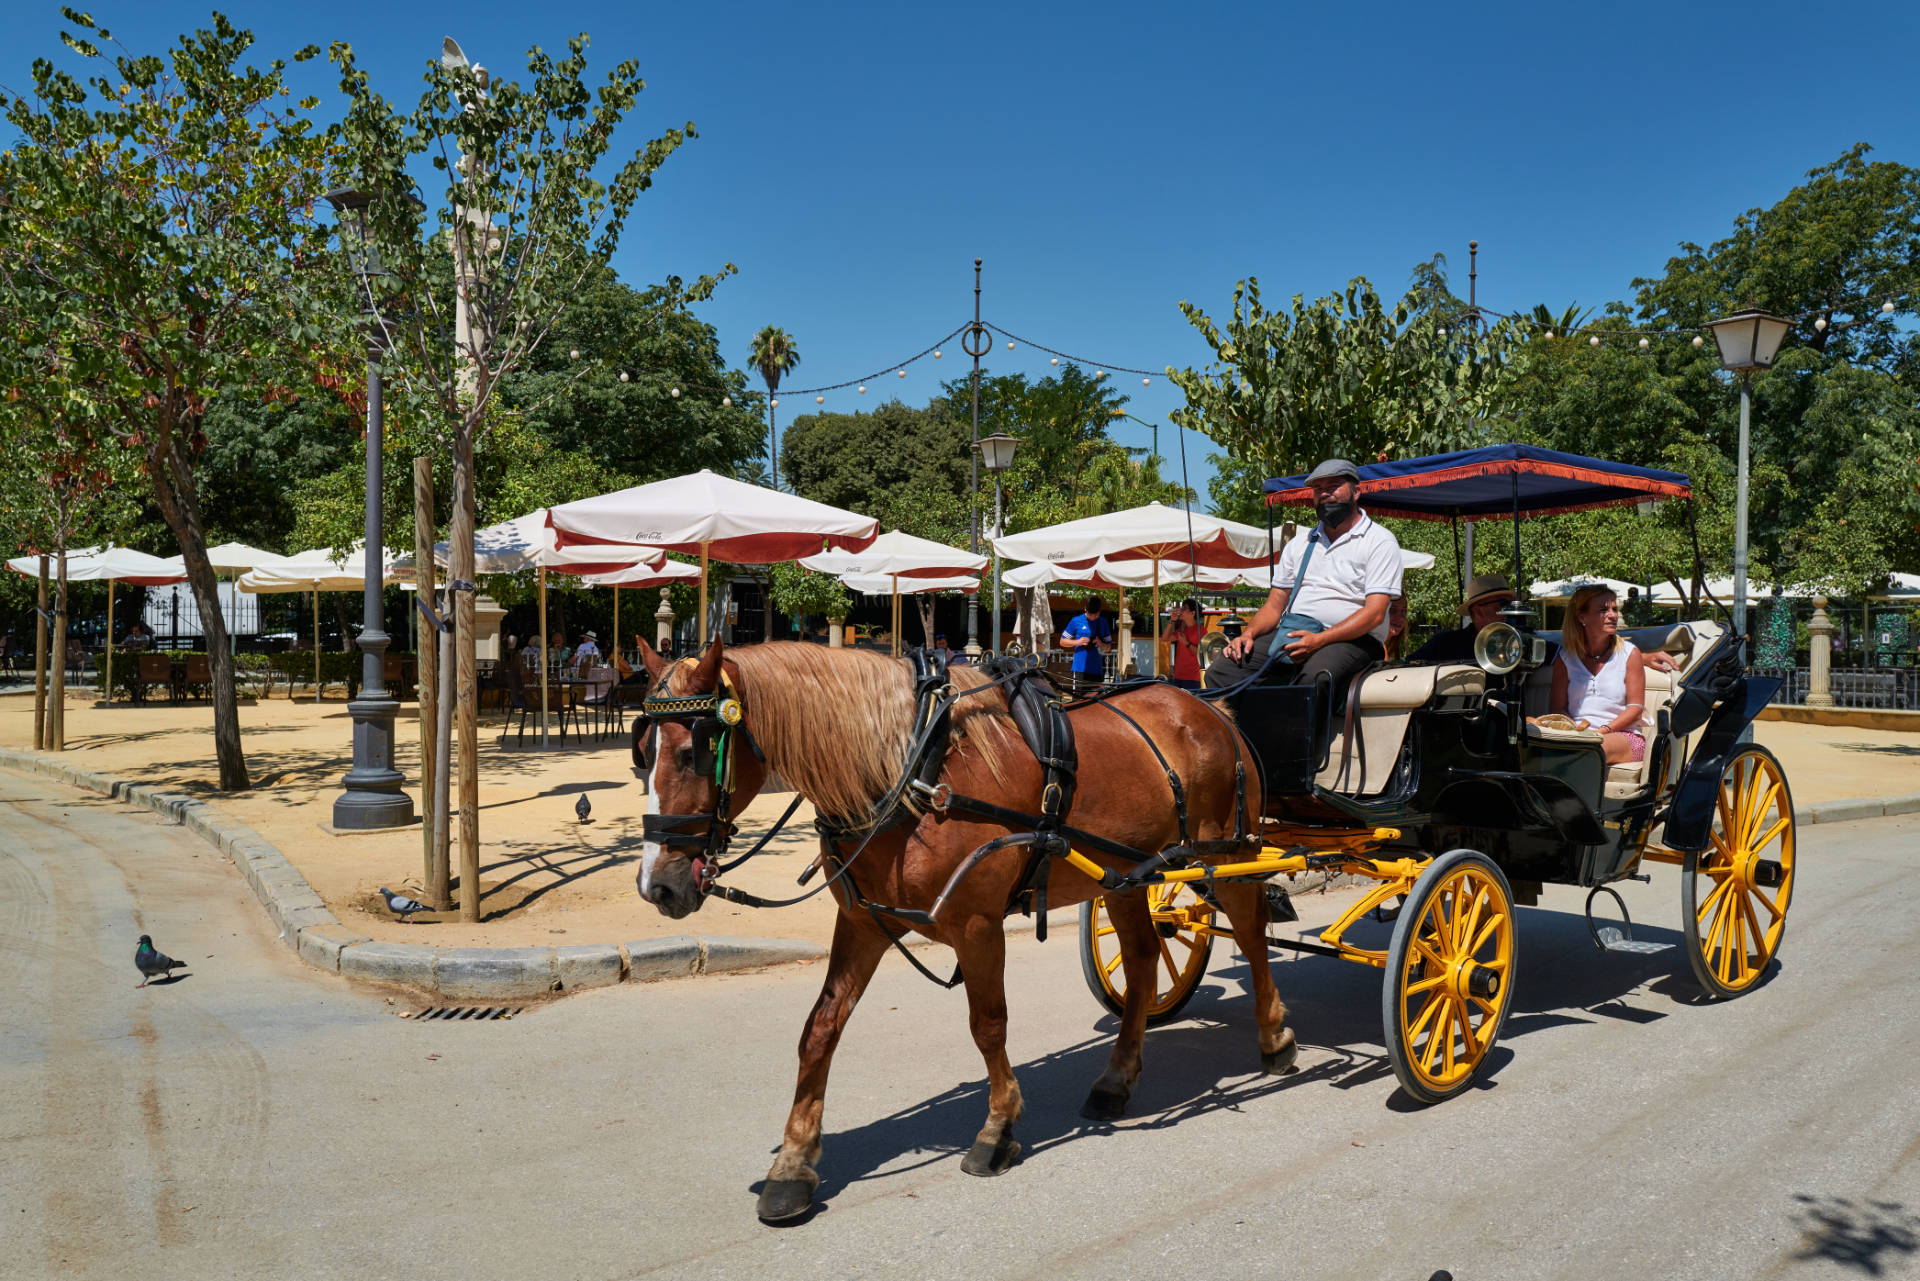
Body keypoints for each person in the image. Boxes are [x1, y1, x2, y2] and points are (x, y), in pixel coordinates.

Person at [1206, 458, 1403, 704]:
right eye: (1318, 489)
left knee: (1315, 678)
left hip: (1356, 640)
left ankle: (1299, 742)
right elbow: (1274, 606)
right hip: (1298, 631)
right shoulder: (1301, 544)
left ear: (1356, 492)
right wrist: (1248, 634)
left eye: (1334, 486)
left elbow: (1374, 614)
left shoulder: (1379, 541)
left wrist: (1320, 640)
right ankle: (1247, 739)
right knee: (1222, 671)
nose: (1325, 493)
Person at [1550, 584, 1646, 766]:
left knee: (1592, 750)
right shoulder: (1565, 659)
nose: (1613, 615)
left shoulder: (1630, 654)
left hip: (1623, 736)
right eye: (1603, 610)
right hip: (1578, 736)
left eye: (1615, 609)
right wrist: (1575, 732)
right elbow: (1557, 709)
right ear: (1581, 617)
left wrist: (1600, 732)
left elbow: (1635, 709)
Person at [1413, 573, 1516, 662]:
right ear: (1478, 611)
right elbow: (1406, 667)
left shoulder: (1520, 642)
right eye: (1503, 604)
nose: (1510, 610)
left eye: (1511, 604)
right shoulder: (1445, 644)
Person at [1058, 594, 1115, 694]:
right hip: (1080, 669)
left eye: (1095, 615)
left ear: (1099, 612)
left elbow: (1108, 648)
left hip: (1097, 669)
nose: (1092, 618)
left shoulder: (1103, 622)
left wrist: (1101, 644)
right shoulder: (1076, 621)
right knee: (1078, 701)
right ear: (1085, 609)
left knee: (1096, 703)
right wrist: (1077, 642)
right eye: (1090, 615)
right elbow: (1062, 642)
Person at [1166, 599, 1203, 690]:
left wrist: (1186, 643)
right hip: (1177, 677)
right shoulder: (1182, 630)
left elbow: (1201, 653)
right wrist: (1172, 621)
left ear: (1192, 613)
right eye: (1182, 607)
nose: (1181, 610)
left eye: (1184, 608)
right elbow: (1165, 639)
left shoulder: (1201, 631)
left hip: (1193, 679)